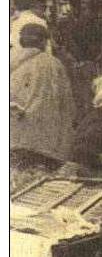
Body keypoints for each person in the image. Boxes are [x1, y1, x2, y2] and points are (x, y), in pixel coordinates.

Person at [10, 23, 75, 169]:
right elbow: (66, 101)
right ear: (43, 42)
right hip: (44, 138)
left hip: (13, 132)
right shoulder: (53, 64)